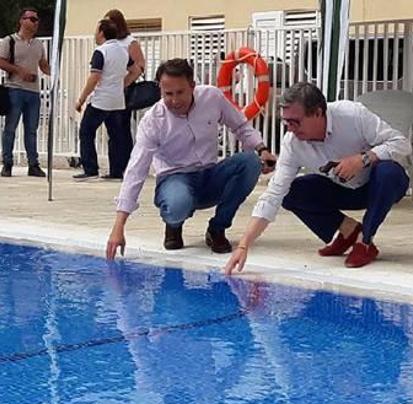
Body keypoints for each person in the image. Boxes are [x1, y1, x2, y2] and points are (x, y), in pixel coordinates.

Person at [225, 82, 412, 273]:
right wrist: (244, 245)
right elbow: (273, 195)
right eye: (286, 122)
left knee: (389, 172)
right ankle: (349, 231)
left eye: (295, 122)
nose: (290, 129)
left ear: (318, 112)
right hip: (341, 189)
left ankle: (365, 241)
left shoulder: (352, 115)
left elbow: (401, 144)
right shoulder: (292, 143)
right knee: (292, 192)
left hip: (379, 185)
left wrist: (363, 159)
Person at [104, 58, 277, 260]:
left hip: (210, 175)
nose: (175, 100)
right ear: (160, 89)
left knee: (250, 162)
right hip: (174, 179)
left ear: (192, 86)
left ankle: (217, 228)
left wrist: (261, 148)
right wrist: (119, 226)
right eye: (168, 94)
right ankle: (174, 225)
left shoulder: (212, 97)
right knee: (178, 203)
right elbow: (136, 169)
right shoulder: (152, 121)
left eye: (180, 92)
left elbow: (240, 126)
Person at [73, 19, 139, 181]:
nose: (95, 34)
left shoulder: (101, 51)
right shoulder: (123, 51)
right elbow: (135, 71)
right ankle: (117, 171)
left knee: (86, 132)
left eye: (96, 30)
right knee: (116, 135)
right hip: (117, 100)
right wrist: (121, 84)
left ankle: (90, 169)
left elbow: (94, 77)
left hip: (101, 99)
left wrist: (81, 99)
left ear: (102, 32)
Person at [0, 7, 49, 178]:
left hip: (33, 91)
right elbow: (1, 61)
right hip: (15, 88)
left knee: (32, 129)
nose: (36, 23)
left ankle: (33, 163)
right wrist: (19, 71)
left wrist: (50, 69)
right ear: (22, 20)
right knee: (10, 128)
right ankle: (7, 162)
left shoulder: (38, 44)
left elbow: (43, 64)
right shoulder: (10, 41)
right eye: (32, 19)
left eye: (37, 20)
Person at [103, 9, 146, 179]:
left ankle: (125, 166)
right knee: (112, 129)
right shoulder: (107, 44)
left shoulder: (130, 42)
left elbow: (139, 66)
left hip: (124, 89)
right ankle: (115, 168)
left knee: (122, 128)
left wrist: (123, 84)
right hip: (110, 89)